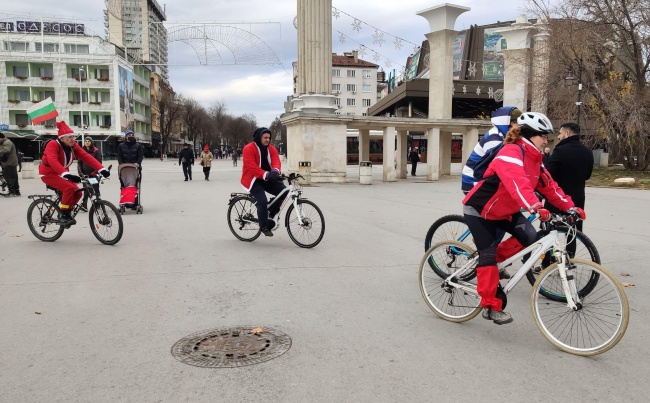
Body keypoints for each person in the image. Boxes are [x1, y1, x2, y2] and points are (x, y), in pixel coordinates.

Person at [462, 112, 585, 325]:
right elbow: (517, 183)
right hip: (481, 209)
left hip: (506, 211)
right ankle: (491, 306)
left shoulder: (535, 159)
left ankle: (490, 266)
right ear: (530, 135)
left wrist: (571, 206)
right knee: (488, 254)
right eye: (543, 136)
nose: (547, 140)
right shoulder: (510, 152)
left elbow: (550, 187)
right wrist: (535, 207)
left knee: (531, 238)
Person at [39, 121, 110, 226]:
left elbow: (85, 156)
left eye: (73, 136)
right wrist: (65, 174)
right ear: (62, 138)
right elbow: (52, 160)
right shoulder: (53, 144)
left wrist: (101, 169)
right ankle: (64, 214)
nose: (73, 139)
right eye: (69, 137)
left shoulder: (72, 145)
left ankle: (67, 211)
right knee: (68, 188)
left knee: (78, 192)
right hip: (48, 174)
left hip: (62, 173)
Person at [544, 122, 593, 238]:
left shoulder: (560, 150)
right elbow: (588, 175)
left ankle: (548, 254)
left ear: (567, 133)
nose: (558, 136)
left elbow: (549, 173)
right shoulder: (588, 152)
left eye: (560, 133)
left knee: (550, 227)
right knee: (574, 229)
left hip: (558, 196)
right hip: (578, 196)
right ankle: (570, 254)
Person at [461, 106, 522, 194]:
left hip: (478, 178)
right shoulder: (494, 136)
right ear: (508, 122)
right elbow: (497, 163)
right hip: (473, 180)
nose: (518, 127)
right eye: (516, 122)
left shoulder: (501, 134)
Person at [241, 127, 287, 237]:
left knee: (284, 192)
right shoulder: (248, 148)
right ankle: (263, 226)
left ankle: (271, 212)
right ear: (259, 137)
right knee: (262, 200)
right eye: (265, 137)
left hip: (267, 178)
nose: (267, 140)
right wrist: (266, 174)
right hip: (253, 180)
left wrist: (275, 171)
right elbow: (252, 167)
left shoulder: (271, 148)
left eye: (269, 138)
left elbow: (276, 160)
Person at [77, 137, 102, 212]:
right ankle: (84, 205)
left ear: (91, 142)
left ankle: (98, 204)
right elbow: (79, 163)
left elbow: (99, 162)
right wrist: (80, 173)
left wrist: (95, 172)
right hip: (85, 175)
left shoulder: (96, 151)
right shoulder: (81, 151)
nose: (87, 142)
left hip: (93, 174)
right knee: (86, 190)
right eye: (86, 141)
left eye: (88, 141)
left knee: (95, 189)